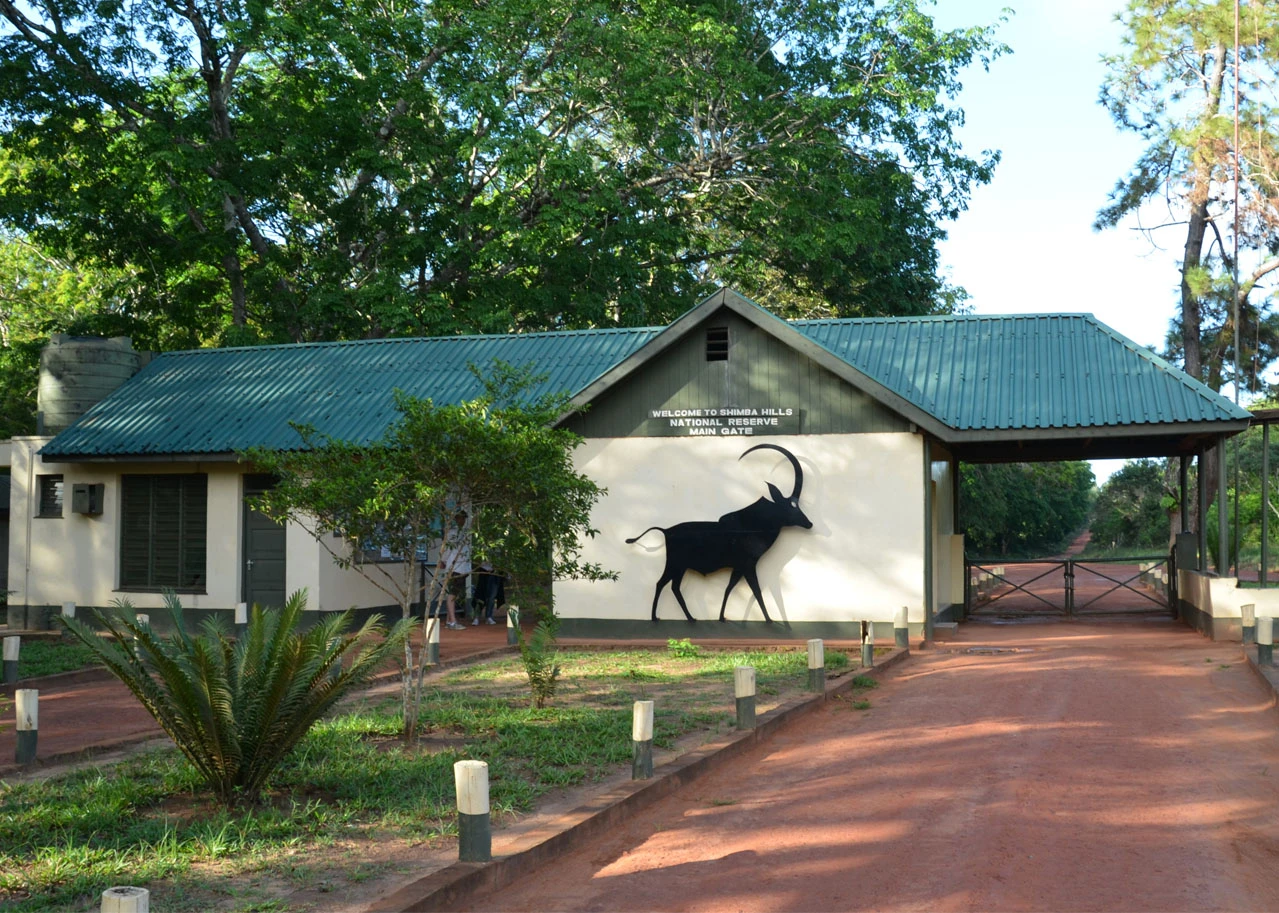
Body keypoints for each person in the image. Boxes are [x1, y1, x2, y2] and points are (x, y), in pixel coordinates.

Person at [440, 511, 472, 630]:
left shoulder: (465, 532)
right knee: (452, 594)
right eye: (459, 518)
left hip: (462, 567)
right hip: (454, 567)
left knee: (456, 594)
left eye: (463, 518)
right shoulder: (452, 533)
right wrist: (443, 560)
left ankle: (449, 620)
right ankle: (453, 621)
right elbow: (447, 549)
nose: (462, 521)